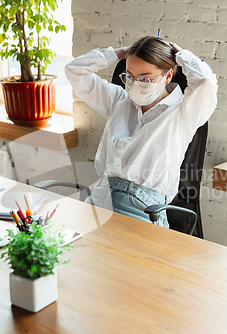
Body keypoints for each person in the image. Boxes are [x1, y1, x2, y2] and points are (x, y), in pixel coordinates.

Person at [65, 36, 217, 227]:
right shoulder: (118, 100)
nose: (136, 84)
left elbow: (205, 82)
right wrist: (119, 53)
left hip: (142, 209)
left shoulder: (183, 113)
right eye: (129, 76)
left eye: (145, 78)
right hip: (99, 198)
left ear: (168, 76)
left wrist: (180, 54)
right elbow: (75, 71)